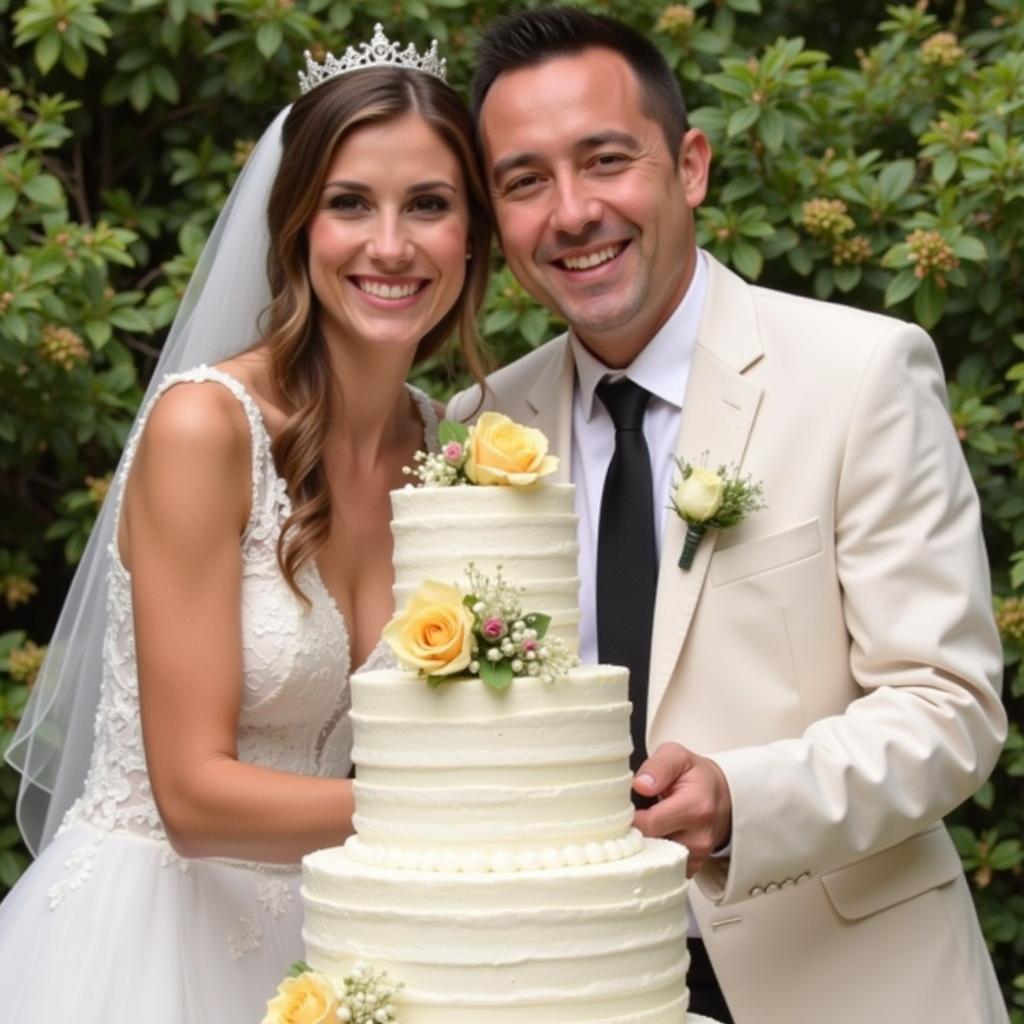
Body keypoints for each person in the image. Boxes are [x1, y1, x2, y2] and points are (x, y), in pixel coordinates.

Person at [447, 8, 1009, 1023]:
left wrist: (739, 801)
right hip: (568, 986)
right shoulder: (479, 429)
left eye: (605, 160)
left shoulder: (860, 373)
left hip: (844, 985)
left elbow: (947, 709)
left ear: (690, 166)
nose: (570, 213)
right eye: (524, 181)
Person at [1, 26, 491, 1023]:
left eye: (428, 206)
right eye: (349, 202)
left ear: (471, 236)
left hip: (346, 941)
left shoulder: (450, 451)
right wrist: (475, 815)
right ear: (296, 225)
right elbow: (193, 798)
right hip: (154, 940)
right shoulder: (205, 427)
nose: (389, 245)